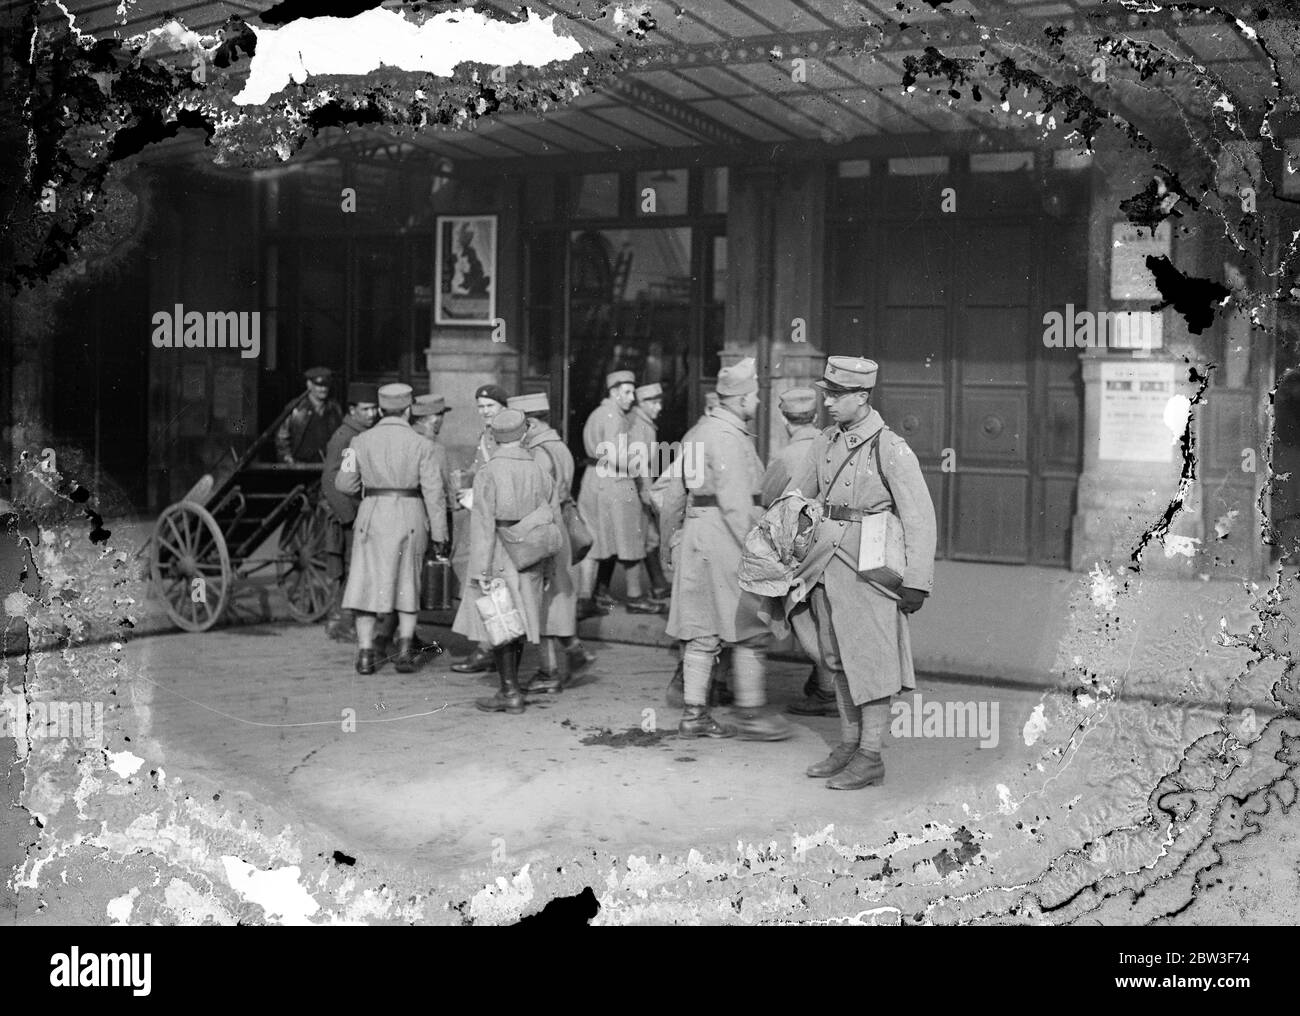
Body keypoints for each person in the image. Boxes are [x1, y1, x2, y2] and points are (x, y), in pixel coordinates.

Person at [785, 356, 937, 790]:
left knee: (870, 663)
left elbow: (919, 516)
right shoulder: (824, 442)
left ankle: (870, 755)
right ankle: (850, 744)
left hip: (869, 569)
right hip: (824, 563)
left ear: (862, 397)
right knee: (836, 660)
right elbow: (796, 496)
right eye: (827, 393)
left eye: (837, 395)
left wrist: (917, 582)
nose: (828, 402)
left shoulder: (889, 447)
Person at [660, 358, 791, 741]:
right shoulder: (730, 439)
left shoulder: (699, 432)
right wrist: (764, 552)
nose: (757, 403)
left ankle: (694, 714)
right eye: (753, 396)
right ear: (738, 399)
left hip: (697, 536)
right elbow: (736, 505)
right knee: (751, 627)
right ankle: (750, 715)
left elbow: (671, 492)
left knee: (701, 630)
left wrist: (670, 541)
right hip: (727, 539)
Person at [334, 383, 448, 675]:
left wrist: (367, 493)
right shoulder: (422, 445)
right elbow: (434, 494)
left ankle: (364, 654)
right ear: (409, 409)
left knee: (365, 584)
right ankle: (405, 651)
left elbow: (343, 484)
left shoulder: (358, 442)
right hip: (410, 515)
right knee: (408, 583)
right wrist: (440, 535)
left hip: (371, 513)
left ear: (381, 409)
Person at [452, 409, 554, 715]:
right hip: (531, 553)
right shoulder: (539, 469)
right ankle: (511, 689)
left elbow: (483, 525)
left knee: (500, 620)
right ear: (524, 434)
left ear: (494, 437)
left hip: (499, 552)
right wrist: (547, 564)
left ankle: (509, 690)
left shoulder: (489, 471)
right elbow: (551, 519)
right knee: (520, 621)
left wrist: (480, 569)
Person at [759, 386, 836, 718]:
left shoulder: (786, 457)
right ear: (816, 417)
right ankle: (823, 685)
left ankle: (829, 690)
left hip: (801, 552)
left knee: (804, 621)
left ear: (783, 419)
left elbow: (767, 500)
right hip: (834, 546)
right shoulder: (831, 447)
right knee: (829, 620)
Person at [509, 392, 591, 692]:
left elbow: (534, 498)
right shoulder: (559, 446)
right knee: (556, 598)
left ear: (529, 422)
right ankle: (571, 652)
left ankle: (549, 672)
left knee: (541, 601)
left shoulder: (538, 453)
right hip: (561, 528)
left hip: (544, 532)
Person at [578, 370, 657, 613]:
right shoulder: (614, 416)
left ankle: (584, 600)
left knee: (595, 543)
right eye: (627, 392)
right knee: (631, 537)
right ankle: (635, 598)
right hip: (615, 482)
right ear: (613, 393)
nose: (632, 398)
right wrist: (638, 462)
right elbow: (614, 456)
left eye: (633, 392)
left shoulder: (598, 413)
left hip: (592, 481)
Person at [450, 384, 512, 675]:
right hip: (481, 521)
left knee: (490, 584)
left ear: (503, 407)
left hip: (498, 522)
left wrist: (478, 497)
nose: (485, 411)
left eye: (490, 406)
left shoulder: (507, 436)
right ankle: (488, 646)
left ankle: (490, 649)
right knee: (477, 580)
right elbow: (481, 471)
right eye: (481, 407)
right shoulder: (485, 436)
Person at [320, 382, 379, 642]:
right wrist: (349, 517)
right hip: (350, 516)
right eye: (366, 409)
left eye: (375, 408)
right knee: (350, 567)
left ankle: (345, 621)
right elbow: (331, 481)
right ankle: (339, 622)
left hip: (362, 514)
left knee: (358, 567)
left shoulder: (365, 433)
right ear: (352, 410)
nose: (371, 414)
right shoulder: (345, 437)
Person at [628, 382, 670, 605]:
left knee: (648, 537)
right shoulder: (638, 426)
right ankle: (656, 585)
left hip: (640, 489)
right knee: (639, 539)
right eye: (654, 402)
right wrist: (646, 491)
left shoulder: (645, 424)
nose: (659, 407)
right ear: (641, 403)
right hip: (635, 491)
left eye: (659, 402)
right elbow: (638, 463)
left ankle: (659, 584)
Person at [276, 366, 343, 464]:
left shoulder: (334, 408)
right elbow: (282, 437)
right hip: (300, 466)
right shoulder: (296, 408)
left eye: (326, 385)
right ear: (309, 385)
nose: (323, 389)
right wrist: (288, 459)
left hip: (327, 466)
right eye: (319, 385)